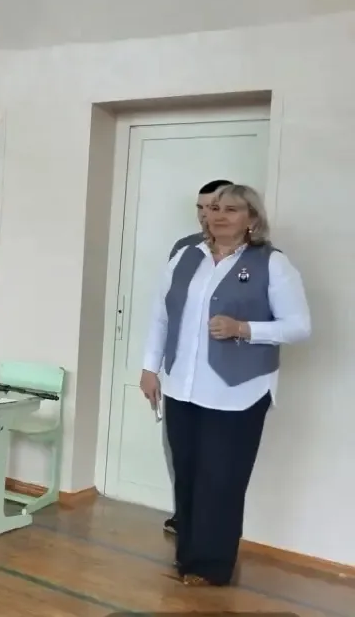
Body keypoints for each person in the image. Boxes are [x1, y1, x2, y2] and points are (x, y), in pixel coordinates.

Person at [139, 184, 310, 587]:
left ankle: (211, 567)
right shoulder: (185, 257)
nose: (218, 215)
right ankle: (187, 558)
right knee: (187, 474)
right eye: (214, 208)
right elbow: (161, 316)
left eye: (231, 209)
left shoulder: (272, 263)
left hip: (238, 393)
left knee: (222, 481)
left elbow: (299, 326)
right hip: (181, 388)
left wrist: (245, 329)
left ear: (252, 218)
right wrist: (149, 368)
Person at [162, 178, 232, 537]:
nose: (206, 215)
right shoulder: (184, 248)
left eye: (214, 207)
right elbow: (167, 309)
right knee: (179, 450)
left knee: (217, 456)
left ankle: (209, 525)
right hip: (179, 372)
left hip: (223, 375)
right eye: (201, 208)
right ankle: (183, 514)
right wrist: (153, 366)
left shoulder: (254, 254)